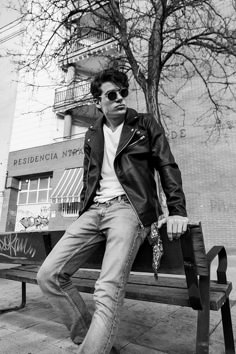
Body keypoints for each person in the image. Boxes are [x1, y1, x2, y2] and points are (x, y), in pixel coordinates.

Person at [37, 68, 188, 354]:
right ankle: (90, 337)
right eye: (111, 94)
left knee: (106, 287)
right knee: (48, 275)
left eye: (123, 93)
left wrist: (177, 209)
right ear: (98, 102)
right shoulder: (92, 134)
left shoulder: (144, 124)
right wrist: (83, 214)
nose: (120, 98)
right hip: (94, 212)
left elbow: (166, 165)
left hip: (129, 209)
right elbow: (88, 179)